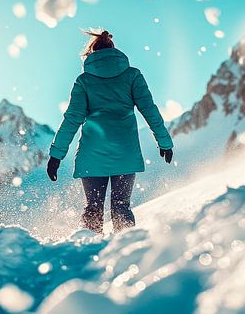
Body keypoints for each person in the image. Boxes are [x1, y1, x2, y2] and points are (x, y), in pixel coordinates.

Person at [47, 29, 174, 234]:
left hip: (92, 155)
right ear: (114, 50)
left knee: (93, 209)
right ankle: (126, 253)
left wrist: (56, 154)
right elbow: (149, 110)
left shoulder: (84, 81)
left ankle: (88, 255)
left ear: (91, 54)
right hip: (125, 153)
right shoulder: (132, 75)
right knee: (121, 206)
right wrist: (164, 142)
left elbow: (72, 119)